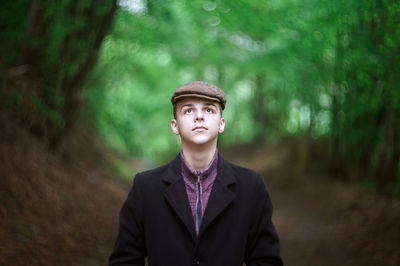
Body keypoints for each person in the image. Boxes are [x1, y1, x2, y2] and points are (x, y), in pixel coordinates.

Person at [109, 81, 283, 266]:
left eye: (209, 110)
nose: (199, 116)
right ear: (175, 125)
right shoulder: (145, 187)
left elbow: (266, 260)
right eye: (188, 110)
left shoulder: (250, 186)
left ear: (221, 124)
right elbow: (125, 260)